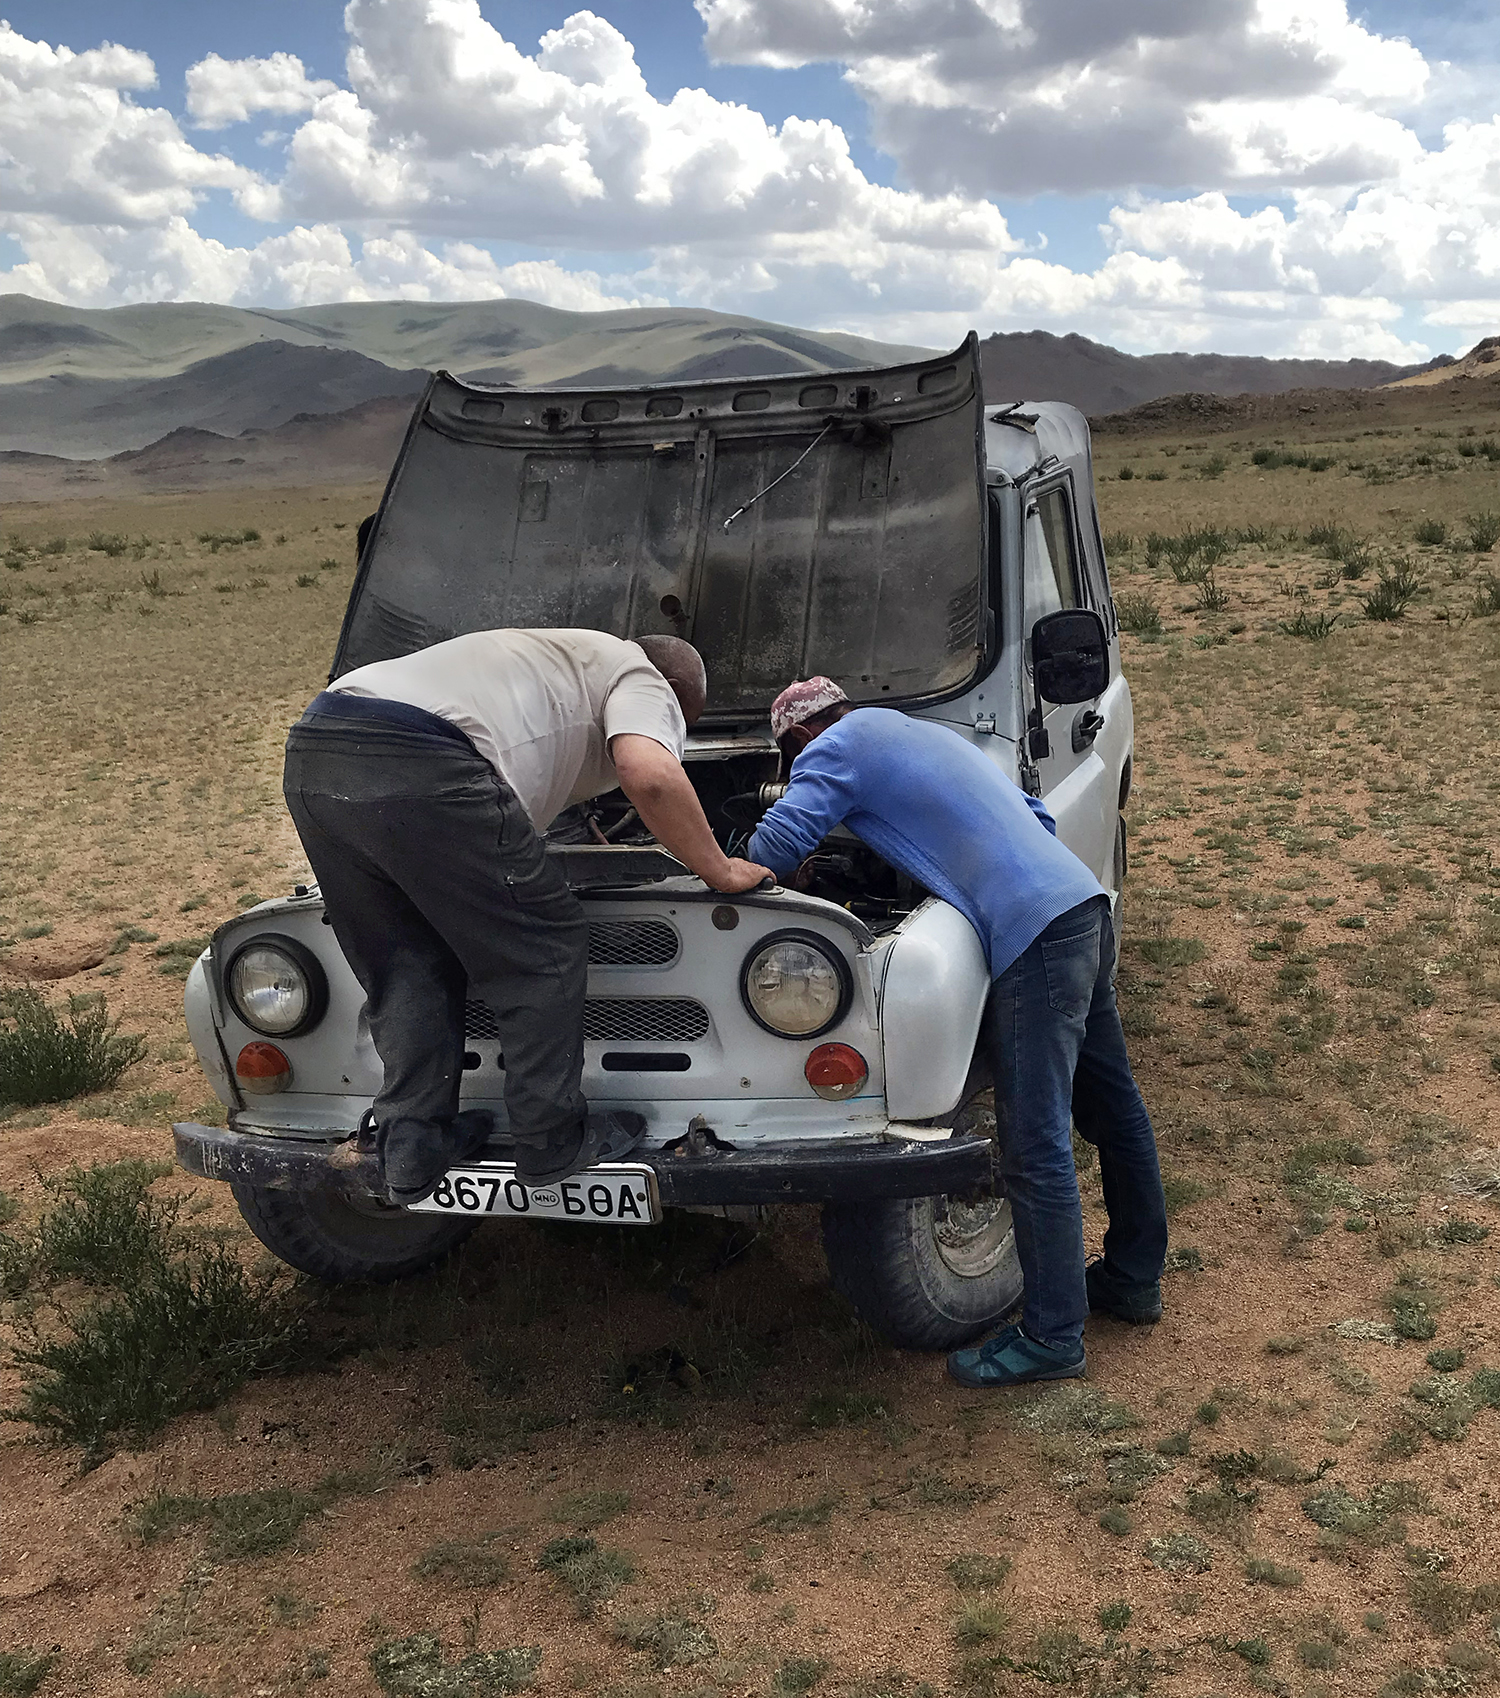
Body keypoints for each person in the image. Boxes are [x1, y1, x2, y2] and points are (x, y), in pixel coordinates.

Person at [748, 678, 1167, 1386]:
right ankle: (1131, 1279)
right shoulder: (924, 732)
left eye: (792, 760)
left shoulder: (833, 748)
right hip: (1077, 903)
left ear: (797, 740)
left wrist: (740, 847)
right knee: (1113, 1109)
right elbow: (1037, 816)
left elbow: (773, 848)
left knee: (1034, 1145)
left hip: (1033, 936)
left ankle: (1054, 1337)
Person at [282, 629, 771, 1206]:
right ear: (678, 701)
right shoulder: (643, 675)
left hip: (319, 747)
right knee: (544, 947)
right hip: (422, 758)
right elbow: (651, 776)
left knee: (405, 959)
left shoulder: (558, 662)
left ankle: (414, 1147)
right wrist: (721, 870)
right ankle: (550, 1140)